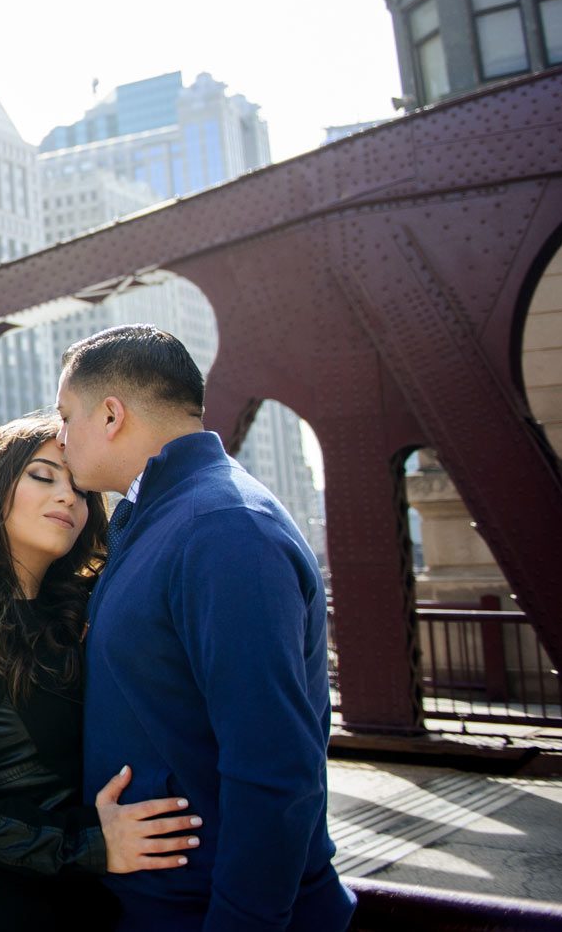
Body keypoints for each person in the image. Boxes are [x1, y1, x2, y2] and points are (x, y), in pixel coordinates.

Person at [56, 325, 354, 932]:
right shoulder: (164, 519)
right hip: (159, 903)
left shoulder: (223, 529)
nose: (60, 439)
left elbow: (273, 763)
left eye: (66, 417)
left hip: (202, 913)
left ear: (111, 415)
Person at [0, 413, 204, 931]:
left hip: (92, 907)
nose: (68, 499)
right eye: (42, 476)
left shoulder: (83, 614)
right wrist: (86, 845)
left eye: (80, 489)